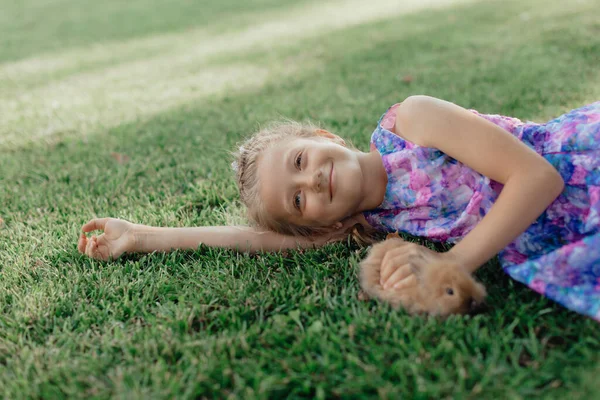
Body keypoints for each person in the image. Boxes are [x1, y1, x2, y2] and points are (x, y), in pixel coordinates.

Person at [78, 95, 600, 321]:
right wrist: (142, 236)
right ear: (324, 224)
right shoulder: (372, 223)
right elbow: (256, 240)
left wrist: (454, 263)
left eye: (302, 159)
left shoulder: (411, 123)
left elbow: (539, 177)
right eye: (298, 200)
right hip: (569, 227)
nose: (312, 180)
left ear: (325, 136)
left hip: (581, 160)